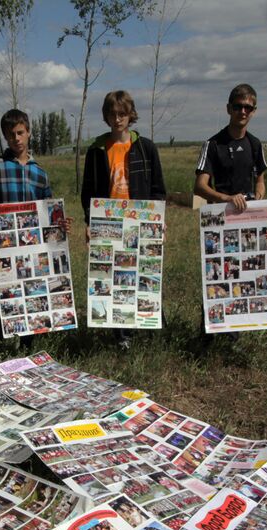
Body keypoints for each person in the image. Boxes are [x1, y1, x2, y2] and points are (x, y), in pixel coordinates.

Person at [81, 90, 166, 347]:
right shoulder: (97, 150)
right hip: (108, 224)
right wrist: (89, 222)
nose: (118, 119)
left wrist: (160, 221)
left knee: (145, 272)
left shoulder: (145, 147)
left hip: (140, 221)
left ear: (130, 115)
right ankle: (121, 335)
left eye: (122, 114)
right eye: (112, 114)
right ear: (106, 117)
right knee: (112, 277)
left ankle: (151, 323)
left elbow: (158, 189)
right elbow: (88, 192)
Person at [0, 108, 71, 341]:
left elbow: (49, 211)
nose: (16, 138)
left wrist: (61, 226)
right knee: (7, 290)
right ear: (5, 137)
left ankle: (30, 339)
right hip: (6, 244)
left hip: (34, 245)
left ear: (29, 133)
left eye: (20, 132)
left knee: (32, 287)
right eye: (11, 134)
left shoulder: (40, 173)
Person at [194, 83, 267, 212]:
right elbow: (200, 186)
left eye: (248, 108)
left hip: (248, 213)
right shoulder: (212, 145)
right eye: (237, 107)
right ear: (229, 108)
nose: (242, 112)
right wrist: (228, 198)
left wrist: (257, 199)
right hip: (222, 213)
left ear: (253, 111)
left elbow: (260, 182)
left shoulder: (255, 144)